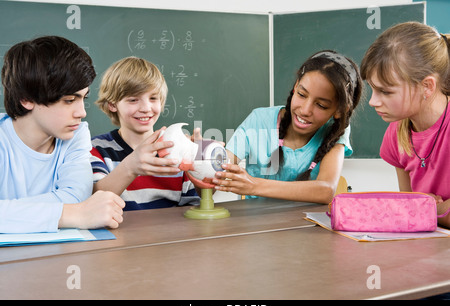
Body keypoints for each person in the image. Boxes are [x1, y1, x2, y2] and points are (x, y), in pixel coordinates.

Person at [0, 36, 125, 233]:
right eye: (69, 100)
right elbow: (79, 209)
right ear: (26, 98)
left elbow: (78, 198)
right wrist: (73, 214)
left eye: (83, 98)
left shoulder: (76, 135)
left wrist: (9, 211)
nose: (82, 113)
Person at [213, 50, 362, 204]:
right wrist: (203, 158)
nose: (305, 110)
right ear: (296, 86)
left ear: (339, 110)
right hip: (256, 224)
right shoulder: (258, 120)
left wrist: (254, 185)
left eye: (321, 105)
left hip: (305, 225)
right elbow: (214, 177)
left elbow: (326, 190)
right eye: (302, 95)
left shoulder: (336, 130)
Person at [360, 21, 450, 228]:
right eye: (373, 89)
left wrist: (429, 209)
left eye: (385, 91)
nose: (373, 101)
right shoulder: (396, 132)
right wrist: (432, 209)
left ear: (427, 86)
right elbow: (410, 209)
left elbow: (418, 210)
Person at [90, 56, 200, 210]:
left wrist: (202, 167)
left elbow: (193, 206)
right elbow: (93, 202)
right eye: (133, 100)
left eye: (153, 98)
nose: (146, 108)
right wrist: (131, 167)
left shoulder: (176, 148)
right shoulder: (96, 149)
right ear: (112, 105)